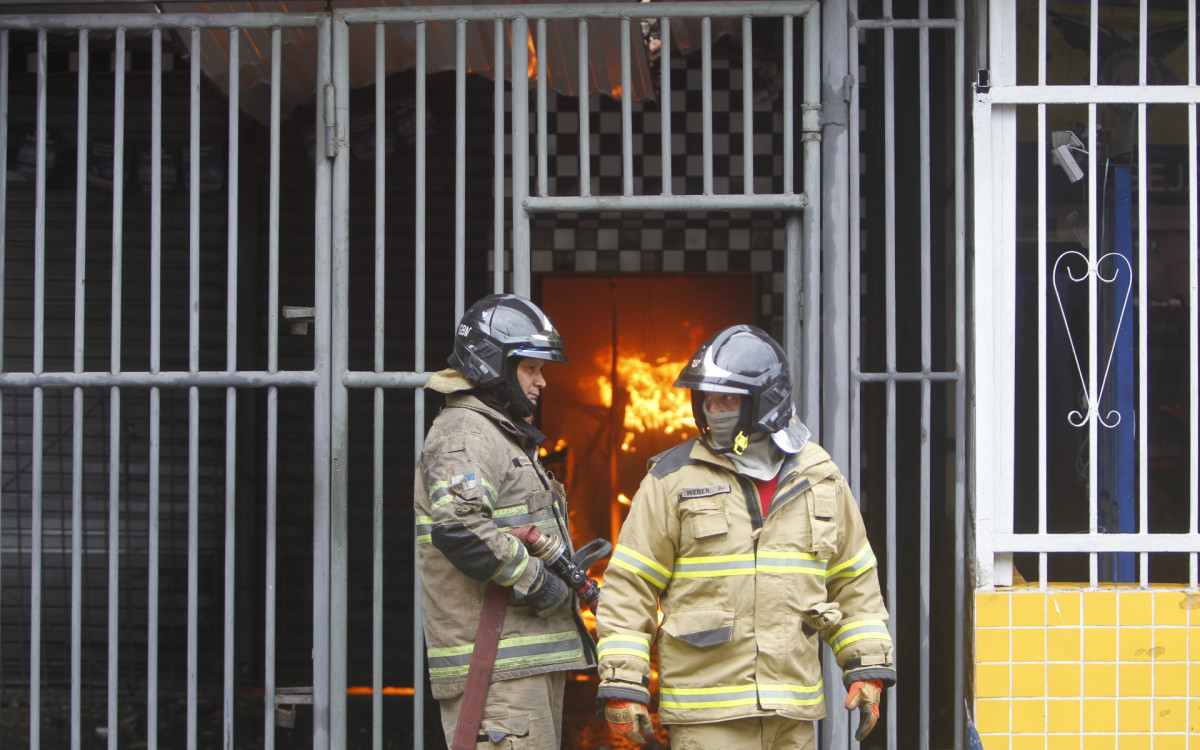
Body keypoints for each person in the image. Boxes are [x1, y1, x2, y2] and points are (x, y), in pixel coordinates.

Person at [594, 325, 895, 749]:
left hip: (793, 711)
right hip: (708, 717)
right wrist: (624, 683)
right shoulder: (671, 479)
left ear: (765, 401)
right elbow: (631, 585)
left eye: (727, 399)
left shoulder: (820, 477)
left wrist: (866, 667)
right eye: (707, 399)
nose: (713, 409)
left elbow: (854, 579)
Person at [415, 293, 594, 749]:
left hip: (521, 666)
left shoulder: (499, 434)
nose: (542, 382)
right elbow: (460, 527)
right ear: (492, 363)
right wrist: (538, 580)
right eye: (531, 368)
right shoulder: (466, 431)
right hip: (495, 674)